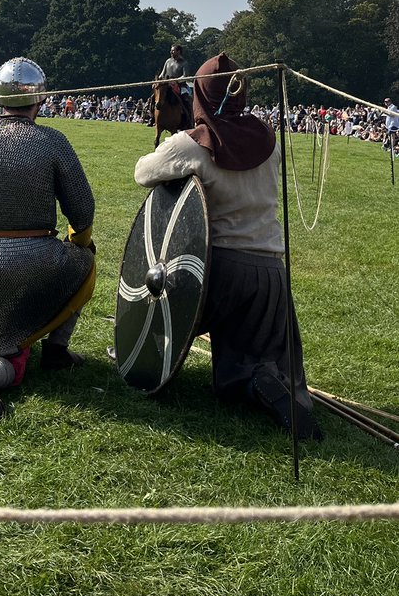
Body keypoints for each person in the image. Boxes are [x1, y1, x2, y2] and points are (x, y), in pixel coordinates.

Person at [134, 52, 322, 441]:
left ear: (199, 94)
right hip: (271, 272)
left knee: (173, 314)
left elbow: (143, 172)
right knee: (265, 357)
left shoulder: (192, 144)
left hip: (216, 269)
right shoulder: (268, 141)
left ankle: (242, 382)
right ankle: (273, 383)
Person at [0, 56, 96, 424]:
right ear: (39, 100)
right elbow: (82, 212)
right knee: (85, 264)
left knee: (1, 349)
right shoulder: (52, 141)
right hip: (38, 258)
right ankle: (56, 351)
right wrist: (80, 242)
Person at [154, 44, 192, 127]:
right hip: (166, 85)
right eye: (171, 50)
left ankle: (189, 120)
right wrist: (157, 81)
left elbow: (186, 76)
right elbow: (162, 74)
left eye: (173, 50)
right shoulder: (168, 61)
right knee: (154, 97)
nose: (171, 52)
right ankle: (152, 118)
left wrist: (176, 80)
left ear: (179, 51)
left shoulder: (184, 63)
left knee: (186, 100)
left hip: (180, 86)